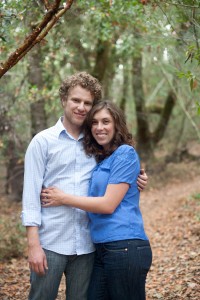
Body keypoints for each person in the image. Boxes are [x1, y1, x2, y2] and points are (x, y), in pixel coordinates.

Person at [22, 72, 148, 300]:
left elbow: (116, 175)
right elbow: (30, 196)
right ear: (64, 100)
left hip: (87, 246)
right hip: (50, 242)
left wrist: (137, 179)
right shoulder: (43, 142)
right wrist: (33, 245)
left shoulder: (96, 144)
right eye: (76, 100)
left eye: (87, 103)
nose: (81, 107)